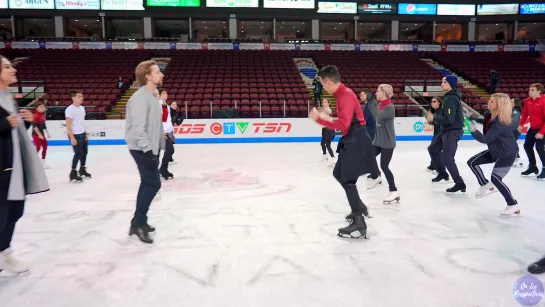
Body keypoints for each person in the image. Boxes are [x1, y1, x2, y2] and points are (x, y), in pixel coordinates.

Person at [309, 65, 376, 239]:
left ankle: (359, 222)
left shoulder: (345, 95)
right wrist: (328, 118)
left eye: (323, 85)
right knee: (338, 173)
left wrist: (320, 120)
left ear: (329, 82)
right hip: (352, 138)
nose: (323, 88)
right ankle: (359, 208)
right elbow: (345, 122)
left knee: (348, 180)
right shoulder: (341, 95)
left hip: (356, 139)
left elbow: (343, 125)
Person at [0, 55, 49, 274]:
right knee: (4, 211)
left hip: (13, 164)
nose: (14, 70)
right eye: (8, 67)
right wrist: (3, 123)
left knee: (15, 210)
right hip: (3, 167)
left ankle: (3, 250)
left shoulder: (8, 98)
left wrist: (25, 123)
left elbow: (13, 135)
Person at [125, 60, 165, 244]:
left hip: (149, 148)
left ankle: (138, 222)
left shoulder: (151, 96)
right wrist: (149, 151)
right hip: (141, 148)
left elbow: (155, 125)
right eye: (157, 72)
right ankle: (138, 223)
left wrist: (159, 145)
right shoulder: (140, 98)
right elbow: (138, 129)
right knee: (153, 183)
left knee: (147, 183)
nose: (161, 75)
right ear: (148, 76)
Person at [465, 93, 519, 216]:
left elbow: (485, 139)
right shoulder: (489, 115)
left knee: (496, 179)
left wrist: (473, 130)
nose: (488, 102)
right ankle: (484, 184)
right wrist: (471, 117)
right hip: (496, 150)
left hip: (507, 153)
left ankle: (513, 204)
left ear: (499, 105)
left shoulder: (500, 122)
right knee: (472, 162)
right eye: (489, 100)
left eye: (492, 101)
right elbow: (485, 121)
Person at [427, 75, 466, 194]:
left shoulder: (450, 98)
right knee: (433, 148)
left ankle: (459, 183)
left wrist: (434, 117)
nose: (441, 84)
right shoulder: (448, 96)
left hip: (452, 131)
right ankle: (443, 173)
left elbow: (448, 118)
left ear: (450, 84)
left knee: (448, 158)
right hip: (447, 130)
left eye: (444, 82)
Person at [365, 84, 399, 204]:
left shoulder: (389, 107)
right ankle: (376, 177)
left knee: (384, 166)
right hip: (378, 140)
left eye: (378, 91)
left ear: (384, 92)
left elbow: (377, 115)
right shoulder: (380, 104)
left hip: (387, 142)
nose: (376, 93)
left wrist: (369, 102)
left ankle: (394, 191)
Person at [518, 83, 545, 179]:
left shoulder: (543, 101)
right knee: (527, 146)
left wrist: (542, 132)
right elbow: (525, 114)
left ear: (539, 91)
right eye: (530, 89)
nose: (530, 91)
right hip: (533, 128)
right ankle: (532, 166)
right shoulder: (528, 101)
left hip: (542, 129)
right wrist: (521, 124)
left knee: (539, 148)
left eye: (532, 90)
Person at [65, 90, 91, 182]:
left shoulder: (82, 108)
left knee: (85, 152)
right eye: (79, 96)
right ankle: (73, 172)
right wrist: (72, 137)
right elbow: (68, 124)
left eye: (82, 96)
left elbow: (81, 122)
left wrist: (86, 133)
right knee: (78, 154)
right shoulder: (69, 109)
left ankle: (82, 169)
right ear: (73, 98)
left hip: (82, 133)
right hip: (75, 134)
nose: (81, 98)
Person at [159, 89, 174, 180]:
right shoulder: (159, 104)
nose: (166, 94)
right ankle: (162, 170)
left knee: (170, 150)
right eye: (164, 93)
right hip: (162, 133)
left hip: (167, 132)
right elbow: (159, 120)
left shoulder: (166, 105)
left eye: (166, 93)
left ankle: (162, 169)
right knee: (169, 150)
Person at [31, 101, 50, 169]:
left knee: (45, 147)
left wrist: (47, 133)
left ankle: (43, 163)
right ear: (37, 108)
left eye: (43, 107)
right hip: (36, 134)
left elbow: (44, 125)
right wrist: (39, 134)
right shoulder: (35, 115)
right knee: (38, 147)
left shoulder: (43, 115)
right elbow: (35, 126)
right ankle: (32, 162)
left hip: (42, 134)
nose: (42, 108)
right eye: (40, 107)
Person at [426, 97, 442, 173]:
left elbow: (441, 122)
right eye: (431, 101)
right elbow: (435, 123)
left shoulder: (441, 111)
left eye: (434, 101)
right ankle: (433, 165)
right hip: (436, 134)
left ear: (439, 102)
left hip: (441, 134)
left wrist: (432, 119)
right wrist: (430, 120)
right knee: (433, 150)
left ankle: (439, 167)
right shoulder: (435, 112)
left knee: (436, 150)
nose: (432, 103)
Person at [319, 98, 335, 166]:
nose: (324, 103)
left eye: (325, 102)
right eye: (323, 102)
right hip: (324, 128)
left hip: (329, 128)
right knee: (322, 143)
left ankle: (333, 159)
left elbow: (329, 112)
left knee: (328, 144)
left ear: (328, 103)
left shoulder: (328, 109)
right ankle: (325, 156)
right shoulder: (323, 110)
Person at [511, 98, 523, 168]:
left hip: (514, 130)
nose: (509, 102)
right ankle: (516, 157)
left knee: (512, 144)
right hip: (513, 130)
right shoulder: (512, 111)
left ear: (515, 104)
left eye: (511, 102)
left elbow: (514, 124)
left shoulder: (515, 112)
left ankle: (517, 158)